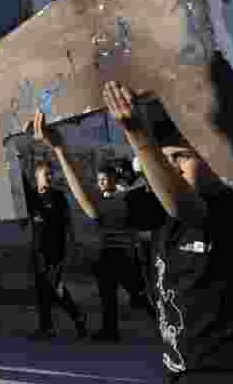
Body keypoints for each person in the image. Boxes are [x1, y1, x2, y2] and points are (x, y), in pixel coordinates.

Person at [102, 81, 233, 384]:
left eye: (182, 157)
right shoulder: (158, 211)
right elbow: (96, 210)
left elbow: (187, 209)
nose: (173, 167)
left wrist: (138, 135)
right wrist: (59, 149)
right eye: (166, 160)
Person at [31, 119, 158, 342]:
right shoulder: (108, 198)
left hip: (124, 255)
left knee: (137, 296)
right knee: (108, 295)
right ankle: (110, 331)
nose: (100, 183)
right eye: (98, 180)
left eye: (104, 179)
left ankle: (160, 325)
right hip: (106, 254)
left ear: (112, 179)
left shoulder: (122, 197)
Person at [23, 157, 88, 341]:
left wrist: (72, 245)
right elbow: (23, 221)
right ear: (37, 176)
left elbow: (68, 223)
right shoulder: (32, 197)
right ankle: (47, 328)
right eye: (46, 174)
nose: (50, 177)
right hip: (38, 252)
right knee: (42, 290)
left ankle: (77, 316)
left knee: (57, 289)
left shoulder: (58, 196)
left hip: (56, 252)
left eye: (51, 174)